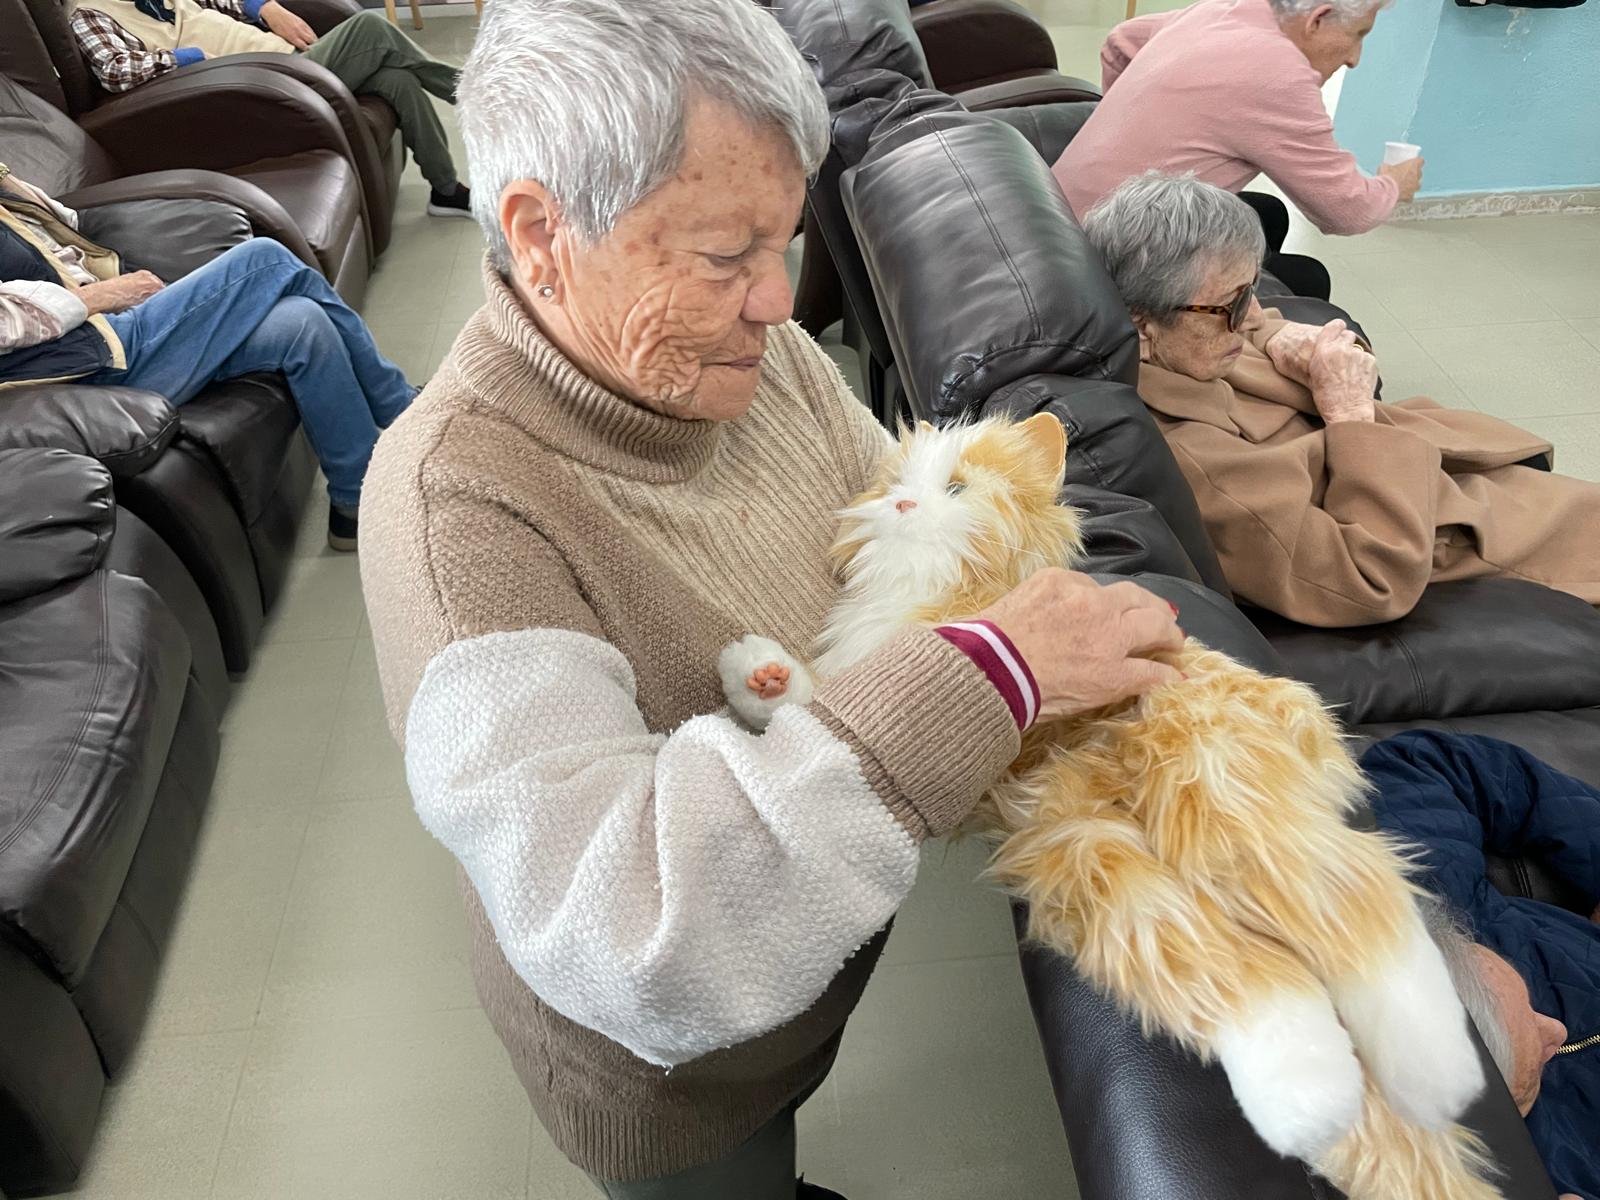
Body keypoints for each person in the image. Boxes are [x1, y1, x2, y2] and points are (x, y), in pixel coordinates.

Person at [356, 0, 1186, 1196]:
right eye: (722, 255)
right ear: (540, 233)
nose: (778, 302)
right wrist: (988, 675)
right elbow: (636, 939)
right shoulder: (458, 515)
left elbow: (907, 555)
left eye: (783, 241)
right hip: (676, 1079)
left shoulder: (751, 357)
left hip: (800, 965)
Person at [1082, 172, 1600, 628]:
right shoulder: (1202, 464)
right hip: (1455, 529)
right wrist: (1350, 415)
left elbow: (1257, 323)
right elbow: (1366, 580)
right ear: (1141, 326)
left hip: (1446, 471)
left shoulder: (1187, 343)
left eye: (1251, 290)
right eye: (1231, 305)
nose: (1252, 315)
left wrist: (1281, 337)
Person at [0, 167, 414, 550]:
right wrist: (102, 295)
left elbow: (65, 225)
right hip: (87, 361)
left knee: (302, 324)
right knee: (266, 257)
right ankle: (403, 410)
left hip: (107, 331)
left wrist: (7, 182)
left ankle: (355, 502)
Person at [1051, 0, 1426, 301]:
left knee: (1268, 212)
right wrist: (1393, 185)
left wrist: (1135, 119)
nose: (1354, 58)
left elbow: (1119, 42)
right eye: (1358, 35)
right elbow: (1348, 212)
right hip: (1101, 261)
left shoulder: (1225, 9)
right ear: (1318, 19)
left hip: (1053, 222)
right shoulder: (1277, 74)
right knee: (1308, 277)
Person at [1363, 731, 1600, 1200]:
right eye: (1532, 1063)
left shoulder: (1427, 900)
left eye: (1525, 998)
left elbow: (1426, 761)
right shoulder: (1537, 1172)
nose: (1555, 1029)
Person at [67, 0, 471, 218]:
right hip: (263, 85)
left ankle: (445, 190)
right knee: (372, 28)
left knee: (397, 80)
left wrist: (264, 6)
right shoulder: (89, 13)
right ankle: (473, 94)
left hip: (289, 60)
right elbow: (115, 71)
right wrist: (191, 57)